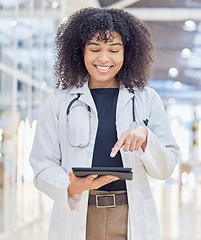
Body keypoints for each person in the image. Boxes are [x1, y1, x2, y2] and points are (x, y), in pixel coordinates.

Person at [29, 7, 180, 240]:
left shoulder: (147, 99)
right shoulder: (58, 102)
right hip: (79, 214)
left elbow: (165, 168)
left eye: (114, 49)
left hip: (130, 216)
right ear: (81, 51)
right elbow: (42, 164)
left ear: (126, 53)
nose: (104, 58)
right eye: (95, 49)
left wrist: (146, 136)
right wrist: (70, 187)